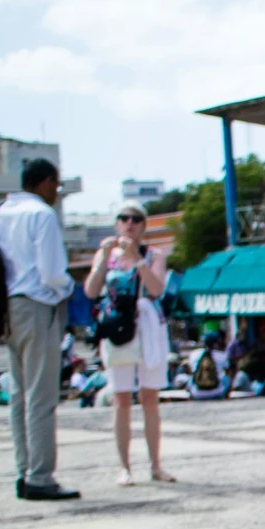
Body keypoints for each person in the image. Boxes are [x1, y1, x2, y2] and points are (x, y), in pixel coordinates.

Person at [0, 159, 78, 499]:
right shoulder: (41, 215)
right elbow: (52, 271)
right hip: (36, 304)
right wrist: (67, 290)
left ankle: (23, 469)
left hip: (7, 308)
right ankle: (41, 477)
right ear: (44, 182)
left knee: (18, 395)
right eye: (56, 186)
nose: (57, 193)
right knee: (41, 397)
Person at [84, 201, 174, 485]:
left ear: (143, 226)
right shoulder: (105, 254)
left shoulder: (153, 254)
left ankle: (155, 464)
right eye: (124, 218)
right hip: (117, 327)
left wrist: (137, 259)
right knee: (121, 398)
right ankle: (124, 466)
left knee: (150, 398)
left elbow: (157, 288)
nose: (129, 223)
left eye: (135, 219)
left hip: (146, 325)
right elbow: (90, 290)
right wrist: (104, 258)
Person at [186, 331, 229, 399]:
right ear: (216, 343)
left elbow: (191, 370)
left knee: (192, 377)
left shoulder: (194, 354)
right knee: (225, 377)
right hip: (217, 393)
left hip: (197, 393)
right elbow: (227, 371)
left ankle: (191, 396)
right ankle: (226, 397)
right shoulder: (222, 356)